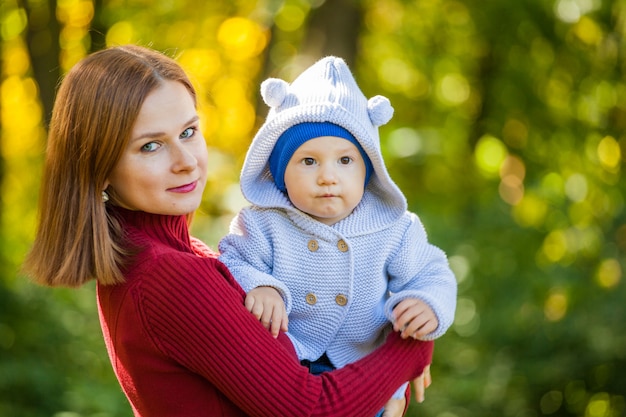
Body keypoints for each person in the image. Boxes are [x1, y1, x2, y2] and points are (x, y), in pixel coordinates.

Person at [21, 44, 434, 417]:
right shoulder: (169, 276)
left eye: (188, 132)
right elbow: (311, 409)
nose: (186, 161)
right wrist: (412, 345)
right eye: (151, 146)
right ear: (100, 168)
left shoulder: (180, 255)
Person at [218, 56, 457, 416]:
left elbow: (433, 272)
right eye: (308, 161)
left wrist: (428, 303)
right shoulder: (263, 223)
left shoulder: (394, 228)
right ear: (281, 173)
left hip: (365, 372)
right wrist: (260, 285)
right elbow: (232, 260)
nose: (328, 176)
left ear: (367, 169)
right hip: (289, 368)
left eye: (345, 161)